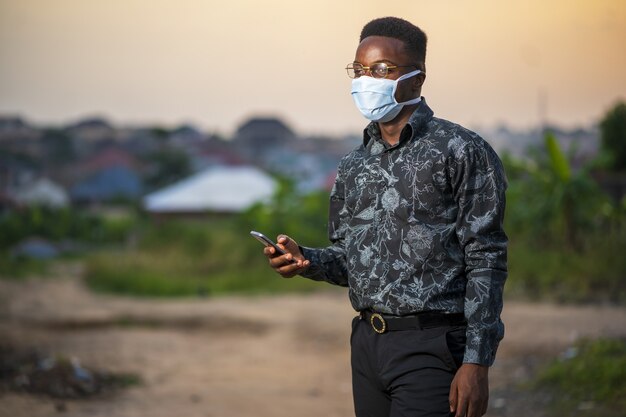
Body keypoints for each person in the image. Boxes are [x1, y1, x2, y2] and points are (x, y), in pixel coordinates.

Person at [264, 16, 507, 417]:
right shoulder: (353, 165)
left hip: (433, 345)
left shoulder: (461, 151)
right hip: (367, 345)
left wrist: (477, 361)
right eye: (359, 69)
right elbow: (351, 262)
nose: (366, 79)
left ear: (417, 79)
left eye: (381, 69)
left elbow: (486, 258)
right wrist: (304, 260)